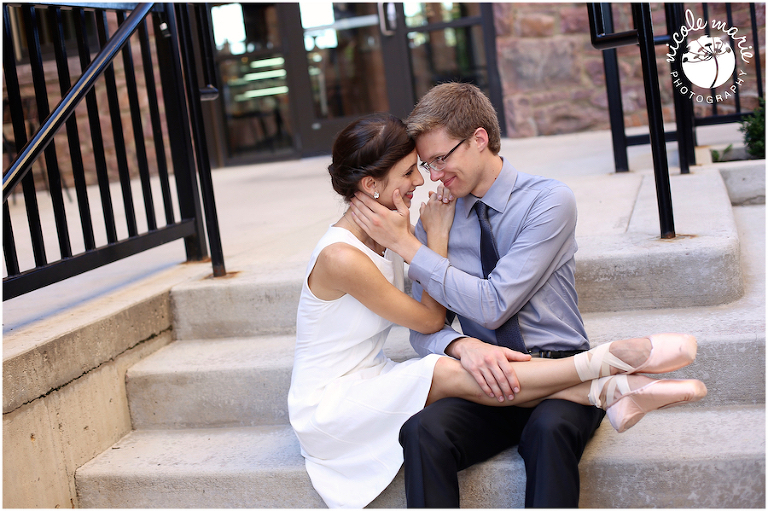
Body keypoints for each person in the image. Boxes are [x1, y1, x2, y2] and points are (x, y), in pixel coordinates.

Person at [289, 112, 706, 509]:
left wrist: (419, 245)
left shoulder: (546, 201)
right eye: (415, 169)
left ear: (479, 140)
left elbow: (494, 304)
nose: (427, 178)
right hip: (448, 380)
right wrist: (461, 346)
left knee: (549, 428)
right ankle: (606, 376)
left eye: (435, 160)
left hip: (545, 361)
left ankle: (601, 380)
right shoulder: (400, 233)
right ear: (370, 185)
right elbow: (426, 325)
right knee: (422, 428)